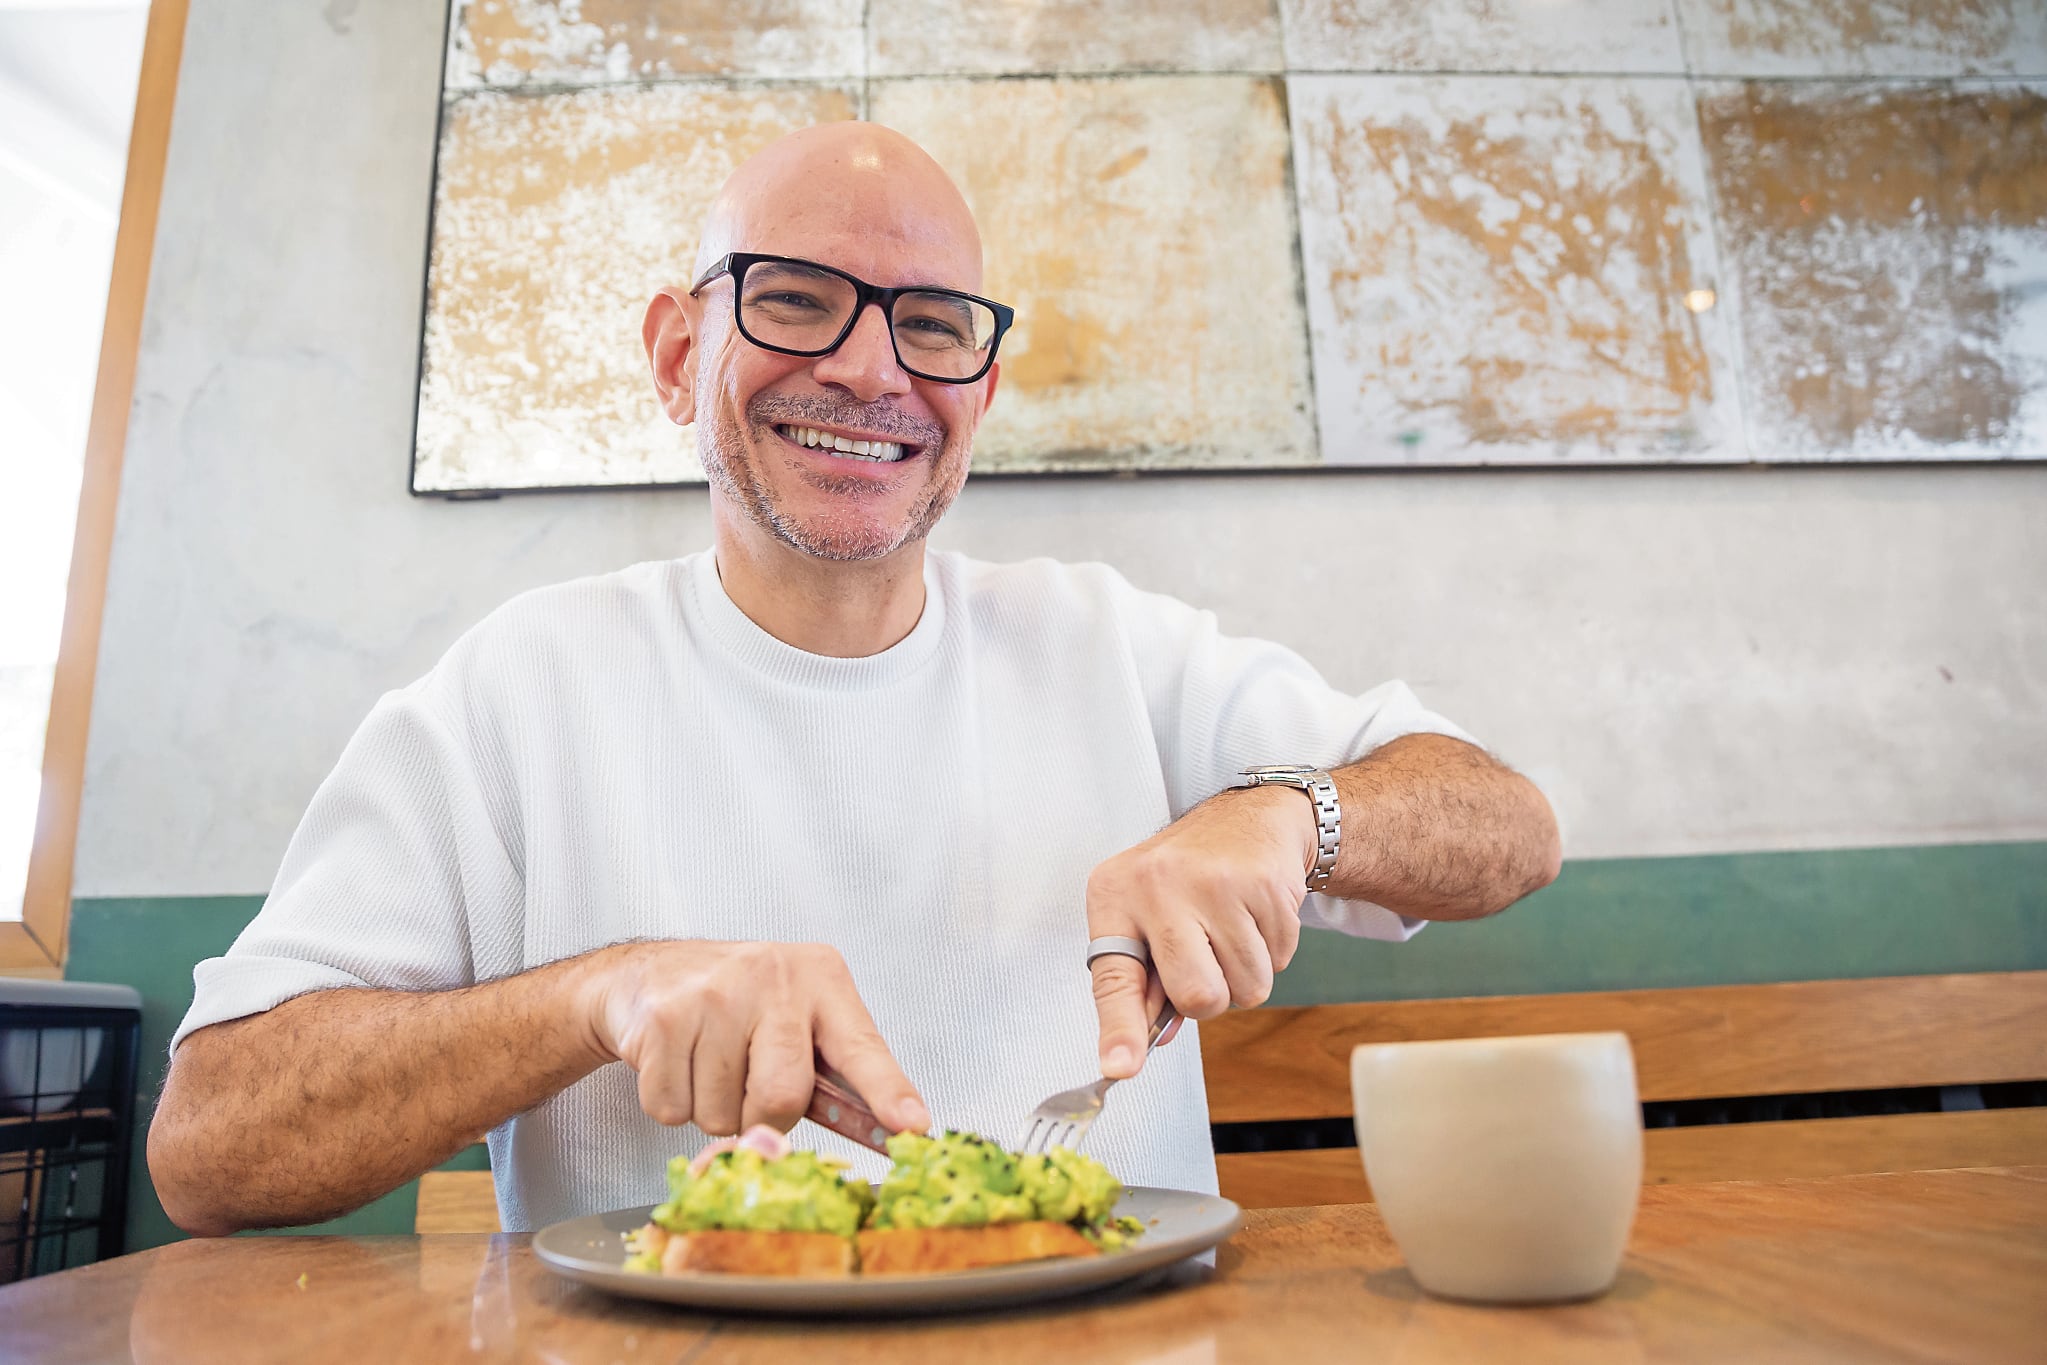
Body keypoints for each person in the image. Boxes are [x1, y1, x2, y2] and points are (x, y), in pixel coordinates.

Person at [147, 123, 1560, 1236]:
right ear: (676, 352)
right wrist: (596, 995)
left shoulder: (1105, 645)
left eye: (935, 324)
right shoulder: (523, 688)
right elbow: (210, 1142)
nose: (872, 368)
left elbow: (1508, 824)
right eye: (799, 299)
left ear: (983, 392)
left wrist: (1288, 813)